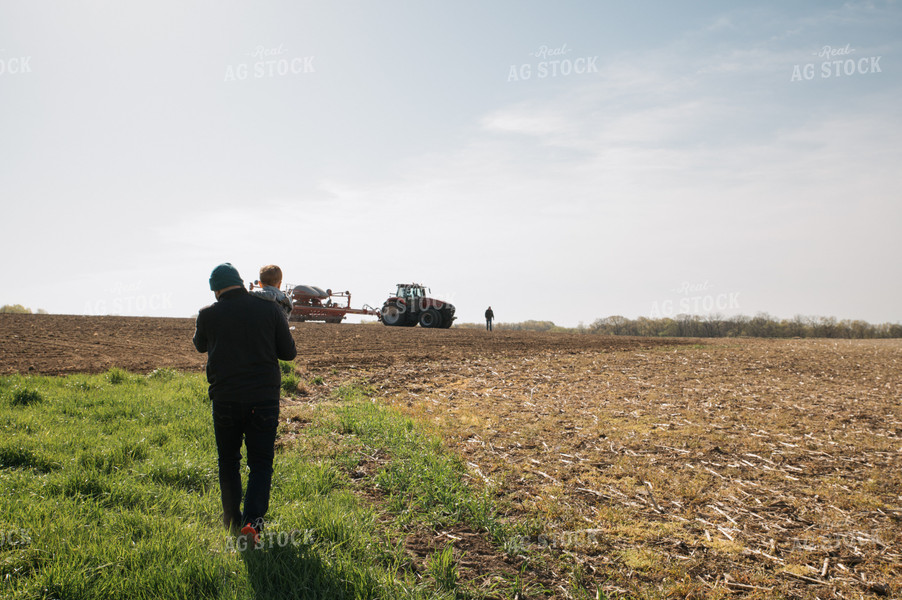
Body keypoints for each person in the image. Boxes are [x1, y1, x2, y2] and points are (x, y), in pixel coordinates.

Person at [192, 263, 297, 546]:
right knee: (261, 463)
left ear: (215, 290)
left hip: (225, 398)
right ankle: (253, 523)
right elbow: (289, 353)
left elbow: (199, 346)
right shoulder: (269, 309)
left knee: (228, 461)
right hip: (263, 399)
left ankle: (231, 519)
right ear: (241, 282)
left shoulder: (207, 315)